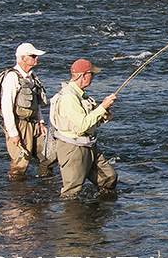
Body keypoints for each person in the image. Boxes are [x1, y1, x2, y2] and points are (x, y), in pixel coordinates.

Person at [44, 59, 117, 197]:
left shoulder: (81, 95)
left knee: (109, 178)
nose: (93, 77)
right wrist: (103, 107)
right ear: (83, 75)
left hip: (88, 144)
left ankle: (101, 214)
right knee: (71, 192)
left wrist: (104, 112)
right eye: (92, 74)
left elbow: (94, 118)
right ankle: (71, 217)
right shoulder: (69, 97)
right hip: (72, 148)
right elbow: (82, 124)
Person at [0, 42, 49, 180]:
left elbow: (35, 103)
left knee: (46, 156)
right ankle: (16, 195)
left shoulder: (32, 77)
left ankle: (45, 186)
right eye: (33, 56)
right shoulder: (12, 78)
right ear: (23, 58)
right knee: (20, 164)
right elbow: (6, 107)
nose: (36, 59)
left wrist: (40, 122)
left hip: (34, 124)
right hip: (19, 124)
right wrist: (13, 133)